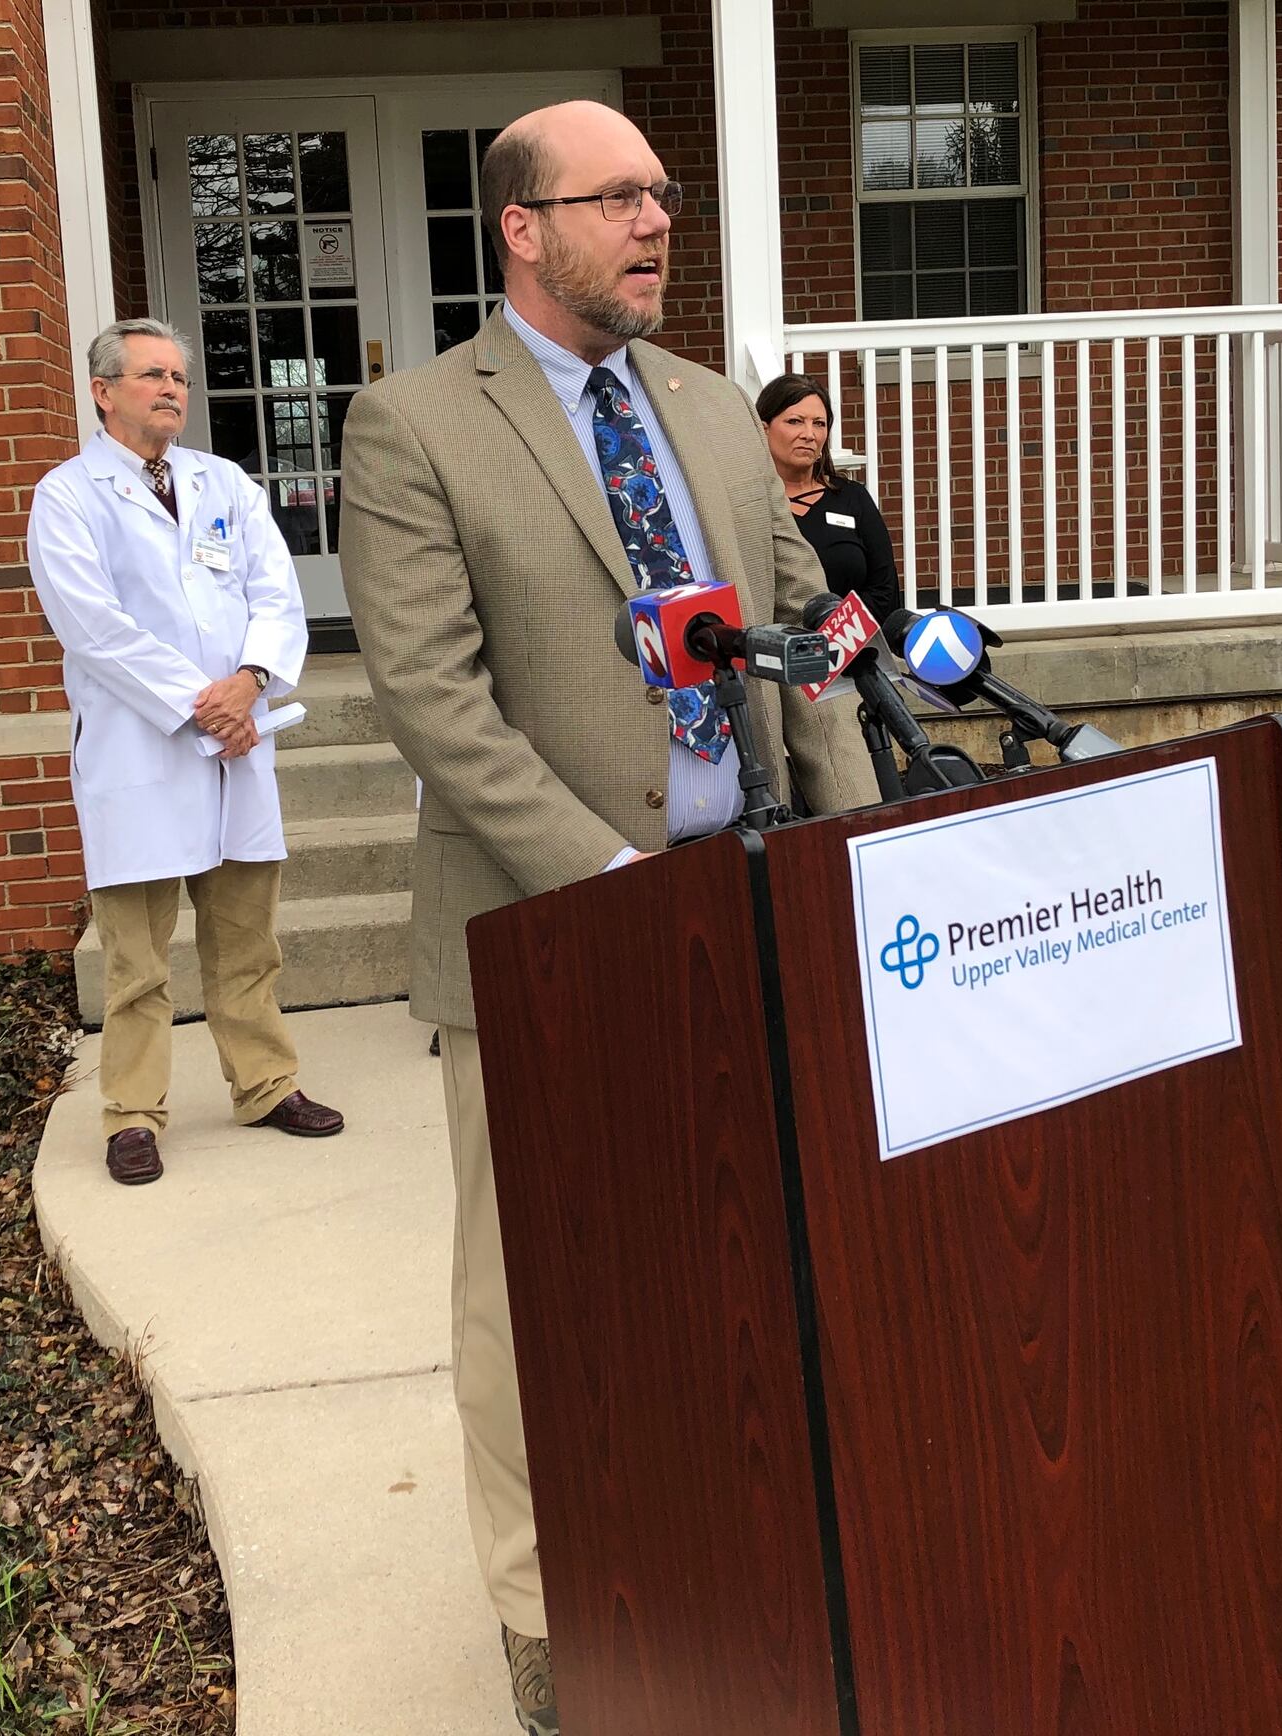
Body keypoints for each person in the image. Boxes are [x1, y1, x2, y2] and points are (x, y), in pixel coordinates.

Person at [337, 101, 870, 1734]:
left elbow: (808, 644)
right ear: (522, 228)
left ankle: (723, 1550)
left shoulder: (716, 412)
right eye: (619, 197)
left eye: (663, 194)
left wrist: (860, 855)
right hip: (551, 939)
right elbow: (435, 699)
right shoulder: (415, 424)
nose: (656, 221)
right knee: (537, 1292)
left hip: (756, 903)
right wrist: (616, 895)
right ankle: (543, 1609)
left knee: (743, 1258)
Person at [27, 318, 344, 1186]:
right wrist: (200, 706)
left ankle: (266, 1083)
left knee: (247, 940)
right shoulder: (67, 496)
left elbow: (275, 591)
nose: (172, 389)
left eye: (180, 377)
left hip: (238, 741)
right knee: (135, 958)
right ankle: (132, 1113)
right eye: (151, 375)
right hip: (141, 750)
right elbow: (92, 627)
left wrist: (250, 681)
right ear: (103, 392)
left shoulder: (225, 483)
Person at [756, 371, 901, 626]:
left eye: (819, 423)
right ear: (764, 428)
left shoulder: (852, 498)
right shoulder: (750, 504)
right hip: (777, 652)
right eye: (795, 421)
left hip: (854, 651)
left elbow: (885, 592)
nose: (809, 434)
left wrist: (836, 635)